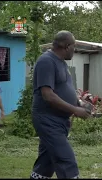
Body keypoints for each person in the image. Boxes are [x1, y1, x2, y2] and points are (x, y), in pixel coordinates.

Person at [30, 30, 91, 179]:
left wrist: (80, 102)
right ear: (66, 46)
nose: (74, 50)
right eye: (74, 46)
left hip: (59, 121)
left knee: (46, 163)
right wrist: (75, 110)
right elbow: (48, 95)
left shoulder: (61, 63)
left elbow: (64, 89)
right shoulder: (47, 61)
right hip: (48, 120)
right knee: (66, 161)